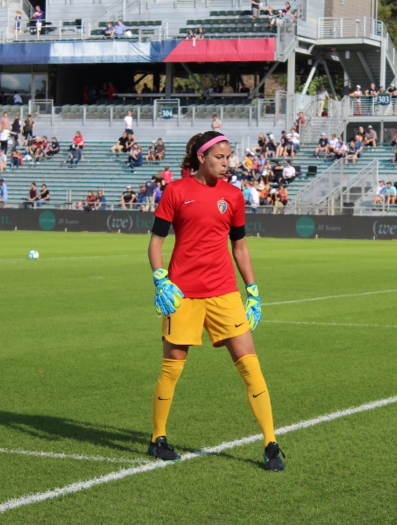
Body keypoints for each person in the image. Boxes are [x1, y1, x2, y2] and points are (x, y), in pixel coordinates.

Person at [147, 130, 284, 471]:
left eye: (228, 157)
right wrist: (160, 278)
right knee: (172, 368)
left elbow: (240, 247)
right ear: (201, 158)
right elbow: (155, 242)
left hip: (225, 293)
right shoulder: (176, 191)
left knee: (251, 366)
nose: (227, 163)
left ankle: (271, 444)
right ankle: (157, 438)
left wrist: (252, 289)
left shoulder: (234, 195)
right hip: (183, 295)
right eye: (219, 158)